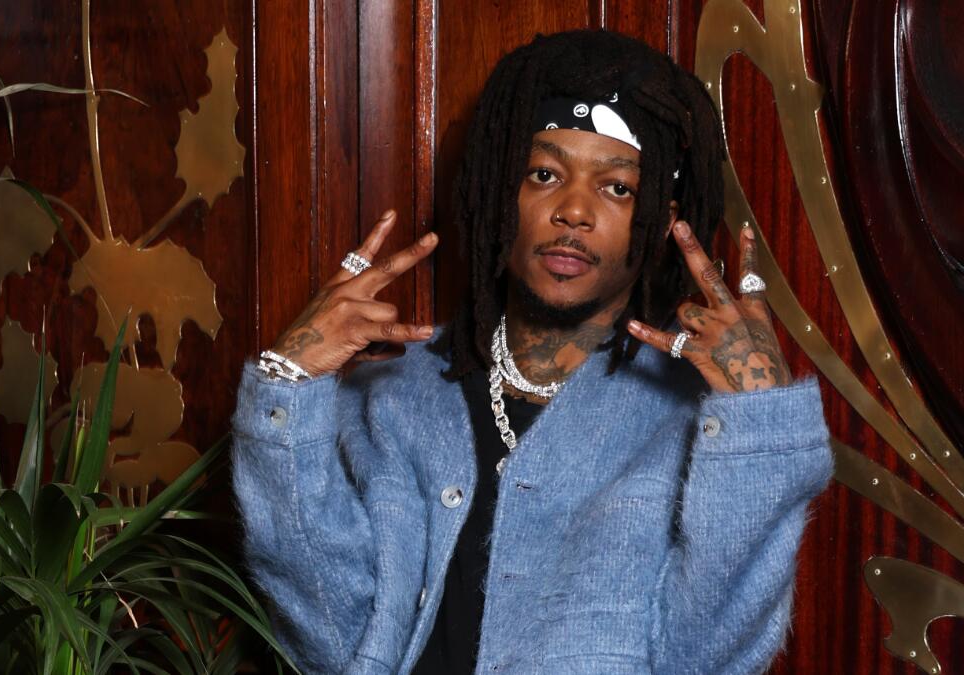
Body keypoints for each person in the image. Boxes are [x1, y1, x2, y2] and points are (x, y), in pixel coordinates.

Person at [232, 29, 832, 675]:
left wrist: (760, 426)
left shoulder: (695, 420)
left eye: (617, 187)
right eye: (544, 174)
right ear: (503, 191)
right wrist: (287, 389)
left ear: (661, 221)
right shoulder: (392, 395)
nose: (573, 211)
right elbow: (328, 639)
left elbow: (708, 658)